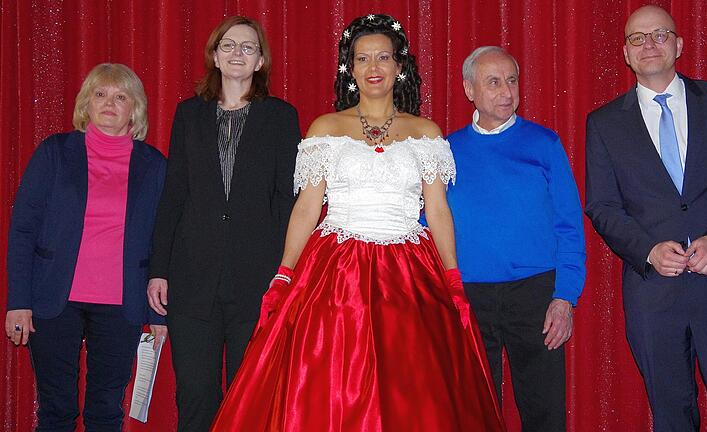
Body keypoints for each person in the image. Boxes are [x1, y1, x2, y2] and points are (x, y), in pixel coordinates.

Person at [210, 14, 505, 431]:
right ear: (351, 69)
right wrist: (284, 273)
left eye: (383, 57)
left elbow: (437, 210)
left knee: (413, 386)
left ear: (399, 66)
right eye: (363, 58)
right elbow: (307, 208)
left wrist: (452, 276)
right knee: (328, 383)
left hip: (409, 273)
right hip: (336, 270)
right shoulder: (325, 128)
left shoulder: (426, 132)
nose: (374, 68)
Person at [585, 5, 707, 431]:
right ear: (626, 55)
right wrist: (647, 251)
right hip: (656, 296)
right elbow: (603, 206)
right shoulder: (604, 123)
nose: (649, 44)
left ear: (679, 44)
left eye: (660, 34)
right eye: (637, 38)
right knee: (671, 419)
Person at [147, 15, 300, 432]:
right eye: (229, 45)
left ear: (260, 61)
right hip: (192, 279)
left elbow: (288, 200)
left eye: (248, 47)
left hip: (257, 279)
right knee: (195, 396)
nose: (237, 53)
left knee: (248, 396)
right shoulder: (188, 115)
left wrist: (287, 270)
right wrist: (158, 269)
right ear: (214, 56)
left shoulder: (282, 117)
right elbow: (174, 196)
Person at [5, 63, 167, 431]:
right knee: (55, 410)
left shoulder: (154, 165)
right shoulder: (55, 152)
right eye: (101, 94)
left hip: (121, 306)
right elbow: (23, 230)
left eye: (121, 96)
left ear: (135, 109)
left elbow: (165, 240)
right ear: (86, 104)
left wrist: (158, 315)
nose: (110, 103)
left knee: (106, 411)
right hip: (53, 300)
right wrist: (18, 301)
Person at [443, 46, 585, 431]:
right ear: (469, 89)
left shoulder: (545, 144)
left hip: (535, 295)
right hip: (468, 296)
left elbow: (570, 225)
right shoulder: (445, 152)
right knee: (475, 412)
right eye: (493, 82)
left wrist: (564, 298)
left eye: (511, 80)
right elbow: (427, 224)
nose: (506, 91)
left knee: (543, 412)